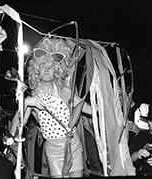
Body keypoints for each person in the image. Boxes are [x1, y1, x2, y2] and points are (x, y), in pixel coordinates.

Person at [10, 37, 92, 178]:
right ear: (36, 70)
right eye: (43, 66)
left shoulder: (65, 92)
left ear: (57, 71)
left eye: (51, 67)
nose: (47, 70)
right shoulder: (33, 99)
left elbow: (92, 111)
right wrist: (25, 103)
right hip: (53, 149)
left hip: (72, 146)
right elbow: (14, 131)